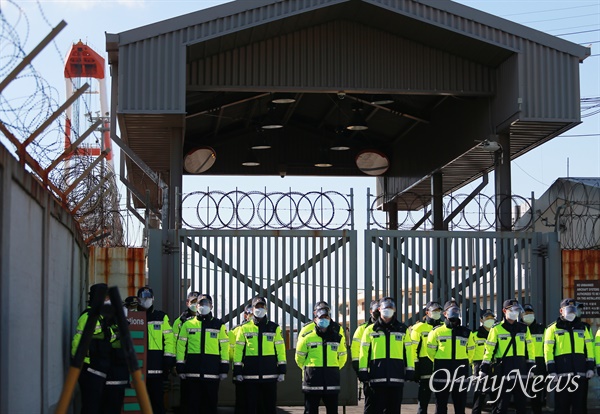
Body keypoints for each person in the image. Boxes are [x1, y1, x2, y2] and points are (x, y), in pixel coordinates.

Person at [358, 297, 414, 414]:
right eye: (385, 308)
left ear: (394, 310)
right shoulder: (370, 330)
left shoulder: (402, 329)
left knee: (394, 410)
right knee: (377, 410)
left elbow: (409, 351)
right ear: (379, 309)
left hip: (396, 376)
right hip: (377, 377)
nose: (387, 310)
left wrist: (410, 369)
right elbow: (363, 352)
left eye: (390, 308)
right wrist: (362, 371)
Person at [479, 299, 535, 414]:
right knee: (502, 405)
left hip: (521, 368)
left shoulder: (524, 328)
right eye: (512, 310)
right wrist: (484, 367)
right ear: (504, 311)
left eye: (517, 310)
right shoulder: (496, 329)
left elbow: (530, 348)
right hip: (503, 369)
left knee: (521, 405)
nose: (515, 312)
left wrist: (531, 365)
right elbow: (489, 349)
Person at [233, 296, 287, 414]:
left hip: (270, 376)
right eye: (257, 307)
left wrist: (282, 370)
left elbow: (280, 349)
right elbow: (238, 350)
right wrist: (237, 371)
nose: (259, 309)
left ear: (266, 309)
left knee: (269, 407)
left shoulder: (274, 327)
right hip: (250, 376)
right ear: (252, 309)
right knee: (251, 408)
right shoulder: (244, 328)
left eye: (262, 306)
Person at [176, 293, 229, 414]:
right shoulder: (187, 324)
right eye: (200, 304)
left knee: (210, 406)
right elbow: (181, 346)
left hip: (212, 374)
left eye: (206, 304)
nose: (203, 306)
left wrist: (224, 368)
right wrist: (180, 367)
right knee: (192, 406)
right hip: (192, 373)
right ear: (197, 305)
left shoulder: (218, 325)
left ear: (211, 306)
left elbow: (224, 347)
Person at [544, 298, 595, 414]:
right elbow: (548, 351)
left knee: (580, 407)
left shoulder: (583, 328)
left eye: (574, 309)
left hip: (580, 374)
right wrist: (551, 370)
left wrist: (590, 367)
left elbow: (589, 349)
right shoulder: (552, 328)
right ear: (561, 311)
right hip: (561, 376)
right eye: (569, 310)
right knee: (562, 407)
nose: (572, 312)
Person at [71, 283, 114, 414]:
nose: (108, 301)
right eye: (106, 298)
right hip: (89, 369)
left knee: (99, 404)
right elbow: (77, 344)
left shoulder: (103, 318)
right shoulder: (88, 317)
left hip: (100, 368)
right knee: (91, 406)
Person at [295, 306, 347, 414]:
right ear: (315, 319)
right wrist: (309, 369)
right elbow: (299, 358)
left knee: (332, 411)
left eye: (326, 317)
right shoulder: (307, 338)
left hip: (331, 381)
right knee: (310, 411)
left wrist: (334, 367)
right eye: (321, 317)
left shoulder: (338, 338)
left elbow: (342, 356)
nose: (324, 319)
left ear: (330, 319)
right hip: (312, 382)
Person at [426, 300, 474, 414]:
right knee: (441, 407)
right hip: (441, 373)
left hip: (460, 373)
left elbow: (471, 352)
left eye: (456, 310)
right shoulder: (437, 332)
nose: (454, 312)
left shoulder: (466, 332)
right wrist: (440, 361)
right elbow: (430, 351)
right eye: (451, 310)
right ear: (445, 314)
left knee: (460, 406)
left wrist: (464, 361)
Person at [137, 285, 176, 414]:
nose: (146, 300)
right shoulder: (132, 316)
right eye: (143, 297)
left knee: (157, 403)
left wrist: (168, 359)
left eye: (149, 297)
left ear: (153, 299)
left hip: (156, 369)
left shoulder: (161, 317)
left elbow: (169, 339)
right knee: (137, 403)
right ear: (138, 299)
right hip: (137, 370)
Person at [410, 301, 443, 414]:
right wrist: (415, 366)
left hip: (441, 368)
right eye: (434, 311)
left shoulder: (444, 327)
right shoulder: (419, 328)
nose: (437, 313)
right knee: (423, 402)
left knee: (441, 403)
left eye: (439, 311)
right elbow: (412, 349)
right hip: (424, 368)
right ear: (427, 312)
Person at [172, 291, 200, 413]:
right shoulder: (180, 321)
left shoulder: (208, 319)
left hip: (202, 363)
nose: (195, 304)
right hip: (186, 363)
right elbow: (174, 342)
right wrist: (175, 363)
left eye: (198, 302)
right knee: (187, 396)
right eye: (193, 302)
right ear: (187, 302)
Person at [351, 300, 379, 414]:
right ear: (370, 311)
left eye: (379, 309)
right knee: (370, 403)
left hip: (384, 371)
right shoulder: (362, 329)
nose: (377, 312)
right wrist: (359, 369)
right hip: (368, 372)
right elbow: (355, 349)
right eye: (375, 310)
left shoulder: (391, 327)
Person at [520, 304, 546, 414]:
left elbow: (547, 347)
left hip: (539, 365)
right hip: (522, 365)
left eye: (530, 313)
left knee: (537, 395)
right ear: (521, 315)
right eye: (526, 313)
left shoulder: (541, 328)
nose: (528, 315)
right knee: (520, 395)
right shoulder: (518, 329)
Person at [470, 309, 496, 414]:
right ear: (481, 320)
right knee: (479, 397)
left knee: (496, 396)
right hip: (479, 367)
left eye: (492, 318)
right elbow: (470, 352)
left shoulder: (496, 333)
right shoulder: (475, 334)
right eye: (487, 318)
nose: (490, 320)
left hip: (494, 366)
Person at [230, 303, 253, 414]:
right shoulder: (235, 330)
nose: (252, 315)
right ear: (245, 315)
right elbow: (229, 351)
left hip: (254, 372)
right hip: (240, 371)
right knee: (241, 402)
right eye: (250, 313)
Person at [575, 301, 592, 413]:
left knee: (581, 400)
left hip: (582, 367)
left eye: (580, 309)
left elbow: (589, 347)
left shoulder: (586, 327)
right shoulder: (557, 327)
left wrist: (590, 366)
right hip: (566, 369)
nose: (579, 311)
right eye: (577, 309)